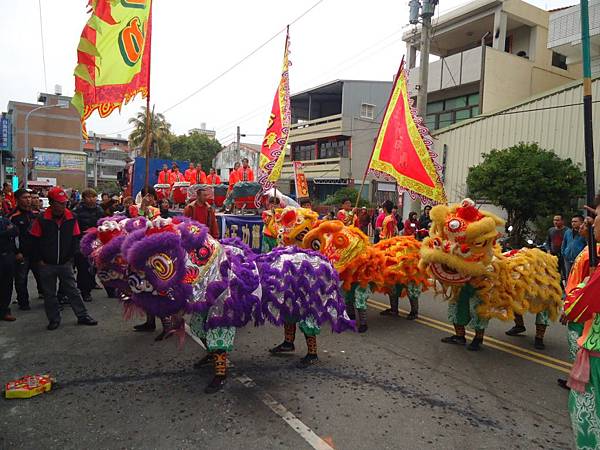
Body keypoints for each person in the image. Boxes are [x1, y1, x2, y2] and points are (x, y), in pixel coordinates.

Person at [29, 187, 97, 330]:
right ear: (52, 203)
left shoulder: (71, 217)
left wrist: (70, 257)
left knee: (72, 290)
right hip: (46, 263)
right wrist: (39, 259)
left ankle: (82, 315)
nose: (63, 206)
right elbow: (34, 240)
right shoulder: (42, 219)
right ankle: (54, 319)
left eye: (64, 202)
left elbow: (75, 238)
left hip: (65, 262)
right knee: (50, 294)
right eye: (60, 203)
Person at [10, 189, 43, 310]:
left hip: (36, 253)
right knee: (21, 279)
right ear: (17, 200)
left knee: (41, 276)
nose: (29, 199)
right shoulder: (14, 217)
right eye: (25, 197)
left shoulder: (36, 214)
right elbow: (12, 237)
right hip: (22, 254)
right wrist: (17, 252)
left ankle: (44, 294)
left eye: (29, 197)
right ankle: (23, 302)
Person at [73, 188, 105, 303]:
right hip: (82, 242)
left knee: (95, 265)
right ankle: (84, 291)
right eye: (89, 197)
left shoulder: (100, 210)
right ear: (84, 198)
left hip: (96, 242)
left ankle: (91, 283)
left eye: (94, 196)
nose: (92, 199)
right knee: (83, 268)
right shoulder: (78, 211)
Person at [0, 208, 17, 321]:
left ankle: (4, 310)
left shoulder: (4, 220)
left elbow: (15, 230)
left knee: (7, 285)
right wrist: (6, 233)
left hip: (6, 257)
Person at [544, 214, 566, 278]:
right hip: (553, 255)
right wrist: (548, 250)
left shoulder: (567, 231)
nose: (555, 222)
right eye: (554, 220)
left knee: (565, 273)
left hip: (563, 255)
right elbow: (547, 241)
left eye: (558, 220)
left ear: (562, 221)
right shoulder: (551, 230)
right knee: (554, 273)